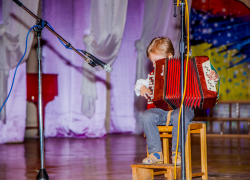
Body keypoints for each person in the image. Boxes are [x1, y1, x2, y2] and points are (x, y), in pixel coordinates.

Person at [134, 37, 219, 165]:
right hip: (162, 112)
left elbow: (209, 84)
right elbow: (140, 83)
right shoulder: (155, 76)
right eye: (152, 62)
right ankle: (156, 153)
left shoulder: (187, 70)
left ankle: (177, 153)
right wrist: (142, 87)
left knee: (179, 115)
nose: (153, 65)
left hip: (184, 110)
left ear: (169, 56)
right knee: (146, 117)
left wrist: (214, 78)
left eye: (156, 61)